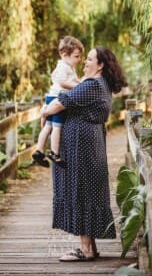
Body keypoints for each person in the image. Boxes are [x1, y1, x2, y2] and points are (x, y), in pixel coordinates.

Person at [40, 45, 127, 261]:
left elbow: (58, 104)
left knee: (81, 190)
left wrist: (45, 110)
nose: (85, 62)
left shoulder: (91, 85)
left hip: (81, 147)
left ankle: (85, 250)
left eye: (89, 59)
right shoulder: (102, 84)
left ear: (100, 65)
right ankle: (91, 247)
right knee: (87, 190)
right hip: (89, 144)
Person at [32, 36, 84, 168]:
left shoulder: (67, 66)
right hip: (58, 99)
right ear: (65, 55)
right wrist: (78, 87)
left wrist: (82, 82)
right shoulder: (64, 67)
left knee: (48, 126)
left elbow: (75, 79)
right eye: (76, 56)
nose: (79, 59)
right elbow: (63, 83)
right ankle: (54, 153)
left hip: (51, 97)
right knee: (57, 127)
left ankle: (39, 151)